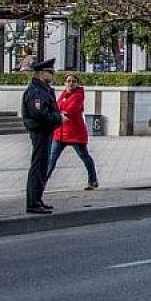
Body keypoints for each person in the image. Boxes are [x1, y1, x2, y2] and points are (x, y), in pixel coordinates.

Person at [22, 58, 62, 214]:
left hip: (46, 131)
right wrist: (58, 118)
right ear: (41, 73)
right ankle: (33, 202)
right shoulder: (36, 91)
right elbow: (39, 114)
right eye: (49, 72)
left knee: (42, 166)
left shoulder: (44, 89)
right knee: (38, 166)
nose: (52, 75)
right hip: (40, 131)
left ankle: (37, 199)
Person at [46, 73, 99, 191]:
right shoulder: (63, 95)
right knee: (51, 159)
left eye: (73, 81)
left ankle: (93, 179)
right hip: (60, 133)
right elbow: (57, 108)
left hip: (75, 133)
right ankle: (42, 183)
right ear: (64, 83)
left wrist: (60, 113)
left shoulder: (78, 95)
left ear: (77, 83)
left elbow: (70, 110)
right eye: (68, 81)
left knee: (84, 157)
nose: (70, 83)